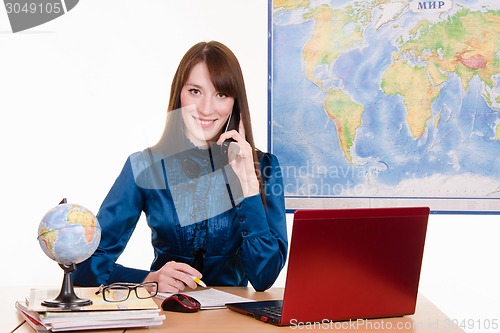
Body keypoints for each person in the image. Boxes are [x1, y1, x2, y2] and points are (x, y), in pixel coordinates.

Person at [73, 41, 288, 292]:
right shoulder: (144, 166)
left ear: (234, 102)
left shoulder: (264, 168)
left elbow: (264, 278)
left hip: (231, 321)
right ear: (179, 93)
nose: (206, 109)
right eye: (195, 91)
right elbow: (84, 266)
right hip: (166, 317)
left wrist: (249, 186)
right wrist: (148, 280)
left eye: (221, 94)